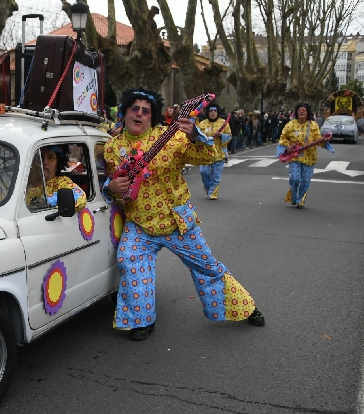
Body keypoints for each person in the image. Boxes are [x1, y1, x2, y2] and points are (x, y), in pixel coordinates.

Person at [102, 87, 265, 341]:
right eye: (135, 108)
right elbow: (113, 182)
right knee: (129, 260)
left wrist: (194, 136)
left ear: (152, 116)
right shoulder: (112, 148)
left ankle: (244, 307)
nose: (139, 114)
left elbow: (211, 156)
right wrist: (110, 187)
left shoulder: (173, 137)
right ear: (124, 113)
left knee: (207, 267)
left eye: (146, 111)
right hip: (140, 224)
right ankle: (141, 321)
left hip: (177, 221)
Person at [277, 102, 333, 208]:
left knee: (305, 181)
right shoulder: (290, 125)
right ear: (296, 112)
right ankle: (293, 197)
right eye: (299, 110)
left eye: (304, 110)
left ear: (307, 113)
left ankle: (300, 200)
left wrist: (324, 140)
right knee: (295, 179)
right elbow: (283, 138)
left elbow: (318, 140)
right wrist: (287, 146)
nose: (301, 111)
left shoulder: (313, 125)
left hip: (309, 157)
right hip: (295, 156)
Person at [25, 145, 87, 212]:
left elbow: (79, 196)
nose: (44, 162)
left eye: (51, 158)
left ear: (58, 163)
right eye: (40, 157)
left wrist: (43, 201)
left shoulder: (61, 181)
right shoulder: (24, 181)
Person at [198, 102, 231, 199]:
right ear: (208, 112)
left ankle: (213, 193)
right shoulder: (202, 124)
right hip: (205, 154)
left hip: (219, 154)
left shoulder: (224, 123)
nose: (213, 112)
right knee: (204, 172)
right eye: (211, 111)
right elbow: (197, 137)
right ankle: (209, 189)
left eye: (215, 111)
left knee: (216, 176)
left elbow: (229, 136)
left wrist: (221, 136)